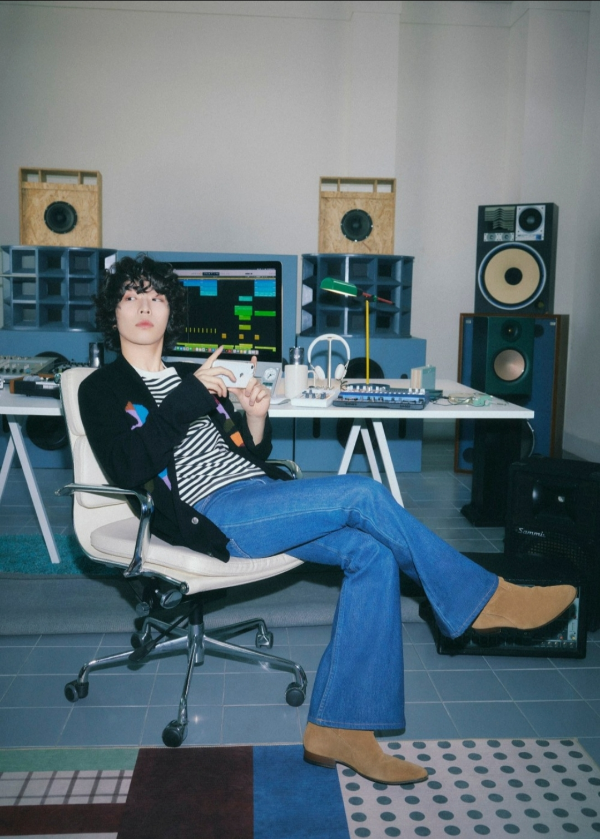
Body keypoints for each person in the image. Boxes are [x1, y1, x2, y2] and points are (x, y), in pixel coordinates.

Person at [79, 255, 576, 785]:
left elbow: (243, 454)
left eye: (155, 296)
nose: (144, 305)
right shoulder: (103, 388)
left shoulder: (190, 375)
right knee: (362, 492)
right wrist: (188, 398)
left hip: (258, 494)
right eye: (130, 296)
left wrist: (255, 418)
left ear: (170, 311)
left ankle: (339, 728)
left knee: (373, 553)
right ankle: (480, 599)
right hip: (212, 515)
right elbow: (130, 467)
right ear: (114, 312)